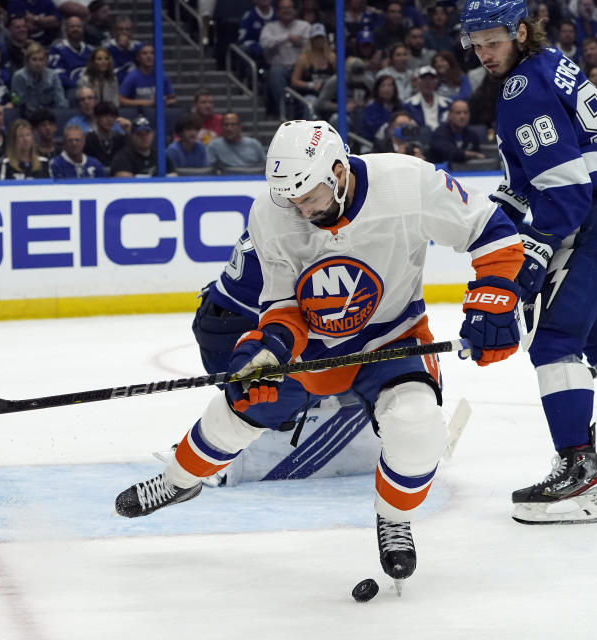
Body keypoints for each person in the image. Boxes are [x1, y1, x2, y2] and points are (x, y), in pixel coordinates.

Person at [114, 119, 523, 589]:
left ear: (337, 170)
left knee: (416, 428)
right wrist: (270, 348)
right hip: (313, 348)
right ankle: (177, 481)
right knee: (242, 405)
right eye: (292, 200)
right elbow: (282, 302)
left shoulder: (408, 181)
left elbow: (489, 229)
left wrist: (493, 297)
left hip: (392, 340)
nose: (302, 211)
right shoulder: (273, 212)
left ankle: (393, 519)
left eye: (310, 197)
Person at [461, 0, 597, 525]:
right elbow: (534, 180)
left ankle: (580, 475)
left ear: (520, 32)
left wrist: (526, 266)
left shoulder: (520, 90)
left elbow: (566, 192)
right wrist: (496, 230)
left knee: (555, 343)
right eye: (476, 42)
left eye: (494, 40)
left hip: (593, 216)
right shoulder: (549, 61)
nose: (485, 52)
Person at [11, 43, 69, 119]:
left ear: (45, 62)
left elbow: (61, 101)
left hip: (50, 116)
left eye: (41, 60)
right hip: (27, 117)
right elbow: (17, 103)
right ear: (27, 61)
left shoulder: (53, 75)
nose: (38, 63)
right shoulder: (18, 77)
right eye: (34, 59)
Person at [428, 99, 485, 164]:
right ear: (450, 115)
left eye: (466, 112)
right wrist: (473, 154)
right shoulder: (439, 134)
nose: (462, 116)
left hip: (466, 172)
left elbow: (478, 159)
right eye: (458, 113)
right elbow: (450, 153)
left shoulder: (472, 135)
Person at [403, 65, 451, 133]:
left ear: (436, 82)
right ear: (418, 81)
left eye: (431, 79)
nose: (427, 82)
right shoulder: (408, 105)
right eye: (424, 79)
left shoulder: (448, 104)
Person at [84, 100, 129, 172]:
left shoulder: (120, 138)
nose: (109, 119)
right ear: (96, 118)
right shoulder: (88, 139)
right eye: (104, 116)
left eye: (112, 116)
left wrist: (128, 131)